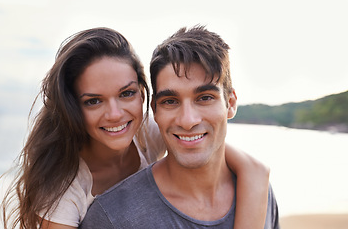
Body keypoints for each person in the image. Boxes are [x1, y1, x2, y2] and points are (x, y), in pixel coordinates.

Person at [0, 27, 270, 229]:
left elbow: (203, 141)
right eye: (93, 101)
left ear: (143, 95)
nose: (115, 114)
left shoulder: (147, 132)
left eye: (126, 94)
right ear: (74, 108)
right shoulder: (63, 187)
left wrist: (255, 174)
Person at [80, 26, 280, 229]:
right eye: (170, 101)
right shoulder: (111, 219)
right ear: (154, 110)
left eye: (204, 98)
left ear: (230, 103)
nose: (188, 120)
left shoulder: (259, 193)